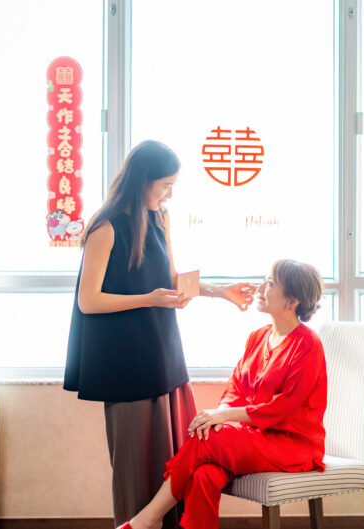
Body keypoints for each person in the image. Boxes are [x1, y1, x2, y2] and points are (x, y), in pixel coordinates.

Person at [63, 140, 255, 529]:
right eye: (165, 185)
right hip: (126, 364)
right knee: (135, 469)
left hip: (164, 354)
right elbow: (89, 301)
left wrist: (220, 291)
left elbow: (170, 280)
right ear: (143, 180)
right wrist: (147, 299)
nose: (169, 194)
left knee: (176, 459)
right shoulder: (105, 228)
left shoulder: (159, 218)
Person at [116, 259, 326, 529]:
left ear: (293, 300)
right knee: (204, 473)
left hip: (292, 446)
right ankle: (154, 521)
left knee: (208, 437)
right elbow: (235, 389)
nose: (261, 287)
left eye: (271, 283)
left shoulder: (308, 344)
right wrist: (219, 416)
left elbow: (283, 408)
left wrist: (223, 416)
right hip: (254, 437)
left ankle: (147, 519)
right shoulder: (257, 337)